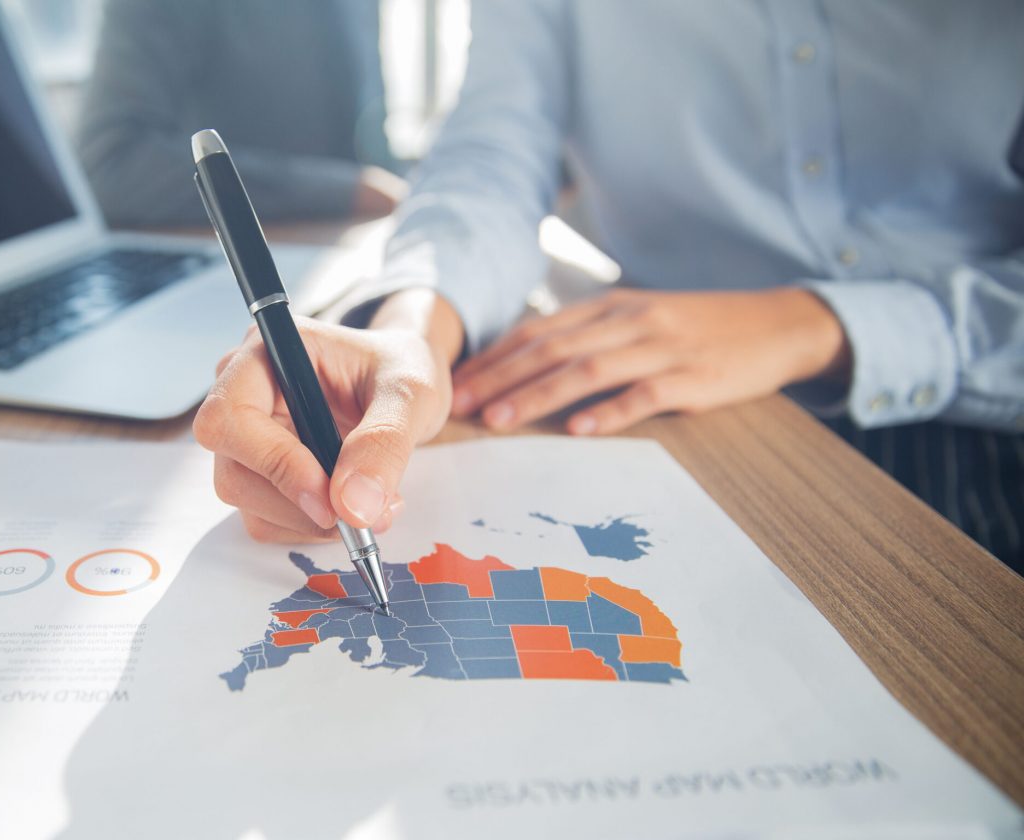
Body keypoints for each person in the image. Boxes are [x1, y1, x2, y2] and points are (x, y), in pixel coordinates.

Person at [192, 1, 1024, 572]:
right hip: (669, 417)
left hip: (981, 429)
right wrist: (414, 331)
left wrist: (818, 325)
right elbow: (490, 162)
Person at [76, 0, 406, 227]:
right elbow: (111, 165)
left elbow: (371, 137)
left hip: (356, 252)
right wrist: (346, 192)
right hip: (233, 266)